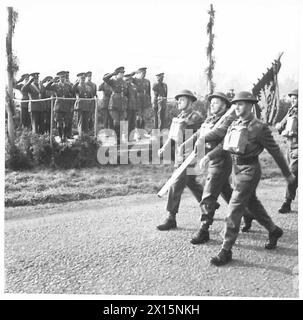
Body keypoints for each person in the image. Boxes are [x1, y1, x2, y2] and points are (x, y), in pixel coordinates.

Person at [209, 91, 295, 266]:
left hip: (250, 170)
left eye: (240, 104)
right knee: (251, 202)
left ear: (249, 105)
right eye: (235, 104)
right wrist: (207, 157)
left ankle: (226, 249)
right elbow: (225, 147)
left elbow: (276, 152)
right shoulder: (234, 123)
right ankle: (273, 229)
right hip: (236, 168)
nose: (236, 107)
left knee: (234, 207)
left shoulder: (259, 128)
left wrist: (287, 174)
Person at [190, 92, 253, 244]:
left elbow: (223, 144)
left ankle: (204, 229)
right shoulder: (210, 118)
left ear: (225, 105)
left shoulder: (229, 119)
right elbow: (199, 133)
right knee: (226, 191)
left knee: (208, 194)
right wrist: (185, 145)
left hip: (221, 161)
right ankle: (247, 213)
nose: (212, 105)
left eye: (216, 103)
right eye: (211, 103)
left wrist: (207, 155)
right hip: (212, 161)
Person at [156, 89, 204, 231]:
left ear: (190, 102)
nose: (178, 102)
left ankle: (171, 218)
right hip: (179, 155)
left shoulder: (195, 117)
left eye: (181, 100)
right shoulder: (180, 116)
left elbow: (197, 137)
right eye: (178, 100)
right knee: (190, 182)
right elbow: (172, 136)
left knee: (174, 184)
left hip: (190, 156)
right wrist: (164, 148)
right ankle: (209, 203)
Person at [275, 89, 298, 213]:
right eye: (292, 98)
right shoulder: (291, 111)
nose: (294, 100)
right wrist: (279, 127)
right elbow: (280, 126)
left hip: (299, 149)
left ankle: (287, 202)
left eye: (297, 98)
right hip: (290, 148)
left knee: (292, 174)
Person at [45, 71, 74, 142]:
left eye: (64, 77)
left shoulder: (68, 85)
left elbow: (72, 93)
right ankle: (61, 137)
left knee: (66, 122)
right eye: (61, 77)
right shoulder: (55, 85)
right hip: (58, 106)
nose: (62, 78)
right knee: (59, 123)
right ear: (59, 78)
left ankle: (65, 137)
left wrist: (71, 104)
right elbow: (46, 87)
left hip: (66, 106)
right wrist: (52, 81)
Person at [103, 67, 129, 144]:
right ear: (117, 74)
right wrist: (113, 73)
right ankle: (116, 139)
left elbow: (126, 92)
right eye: (120, 73)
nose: (122, 74)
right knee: (116, 122)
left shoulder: (124, 82)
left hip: (122, 104)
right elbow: (104, 78)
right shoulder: (113, 81)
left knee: (122, 122)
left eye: (123, 73)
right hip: (114, 104)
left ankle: (120, 139)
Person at [73, 72, 95, 138]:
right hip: (80, 106)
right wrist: (76, 82)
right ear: (78, 79)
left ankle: (85, 135)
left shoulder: (88, 87)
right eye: (81, 78)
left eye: (83, 78)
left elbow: (91, 97)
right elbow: (73, 90)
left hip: (87, 106)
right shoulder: (77, 87)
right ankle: (80, 135)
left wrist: (91, 106)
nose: (82, 80)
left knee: (86, 121)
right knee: (80, 121)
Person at [132, 67, 151, 132]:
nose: (144, 74)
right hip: (138, 100)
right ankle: (137, 131)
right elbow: (128, 77)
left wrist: (149, 102)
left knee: (143, 117)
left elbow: (148, 93)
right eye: (142, 73)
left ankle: (142, 131)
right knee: (138, 116)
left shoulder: (147, 81)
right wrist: (134, 72)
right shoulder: (135, 80)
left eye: (145, 73)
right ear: (139, 73)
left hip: (145, 101)